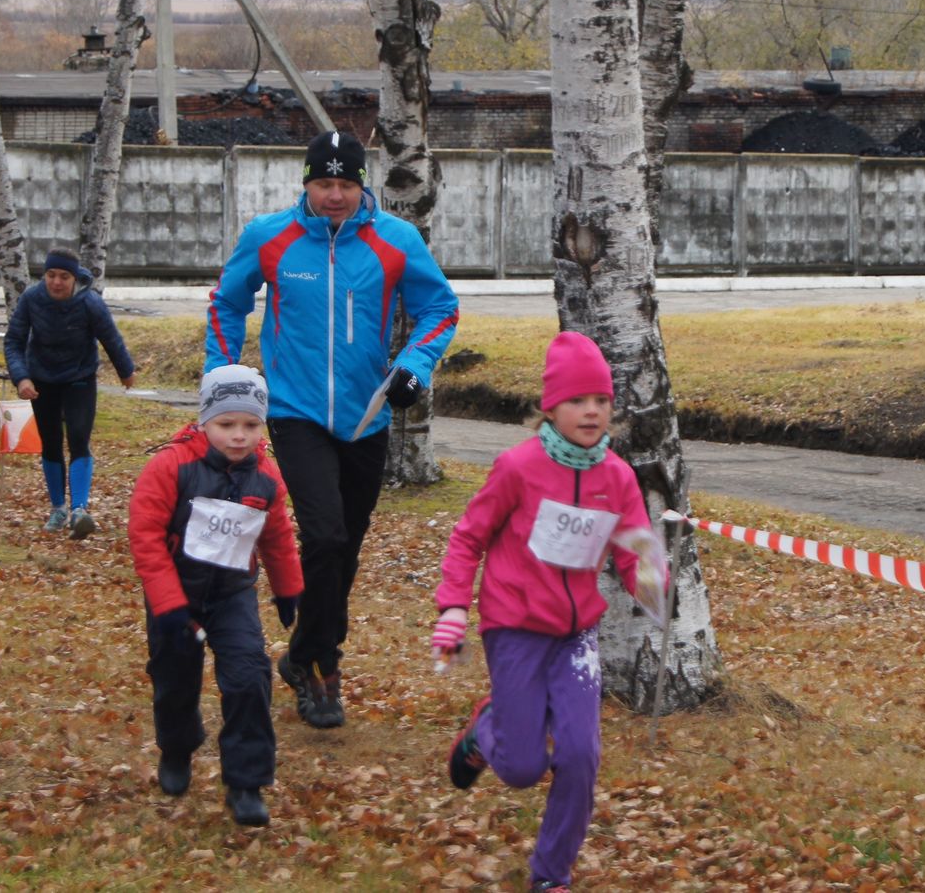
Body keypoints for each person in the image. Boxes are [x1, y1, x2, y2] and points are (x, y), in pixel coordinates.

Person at [205, 131, 459, 729]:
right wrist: (223, 377)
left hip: (366, 415)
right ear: (306, 181)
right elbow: (226, 303)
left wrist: (414, 366)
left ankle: (298, 653)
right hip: (294, 412)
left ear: (362, 184)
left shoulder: (395, 240)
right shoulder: (269, 237)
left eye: (347, 184)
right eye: (325, 183)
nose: (336, 195)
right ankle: (323, 668)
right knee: (321, 537)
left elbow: (440, 308)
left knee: (345, 545)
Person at [430, 332, 665, 893]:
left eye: (602, 401)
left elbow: (635, 548)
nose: (591, 412)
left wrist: (655, 582)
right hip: (515, 628)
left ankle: (551, 875)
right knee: (521, 769)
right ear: (551, 407)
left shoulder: (617, 476)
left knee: (581, 756)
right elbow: (468, 538)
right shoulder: (518, 467)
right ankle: (485, 734)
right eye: (579, 401)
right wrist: (454, 607)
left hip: (576, 634)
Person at [127, 364, 303, 827]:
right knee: (175, 678)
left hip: (232, 594)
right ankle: (177, 747)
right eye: (227, 424)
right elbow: (145, 534)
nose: (239, 436)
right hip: (175, 596)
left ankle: (245, 782)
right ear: (204, 421)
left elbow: (277, 535)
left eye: (250, 425)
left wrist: (288, 589)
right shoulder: (169, 466)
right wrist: (167, 604)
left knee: (249, 676)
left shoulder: (266, 477)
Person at [3, 246, 137, 539]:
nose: (57, 282)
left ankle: (79, 510)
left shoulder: (90, 302)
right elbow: (13, 341)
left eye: (64, 276)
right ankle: (58, 509)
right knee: (50, 444)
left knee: (78, 438)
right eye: (51, 275)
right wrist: (21, 378)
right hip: (41, 379)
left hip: (79, 377)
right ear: (45, 276)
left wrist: (126, 372)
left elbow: (110, 338)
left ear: (74, 278)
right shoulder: (31, 299)